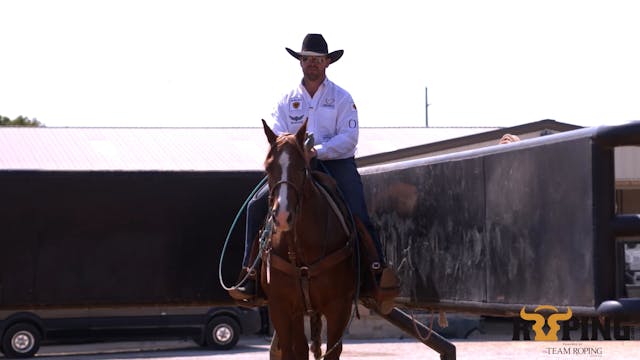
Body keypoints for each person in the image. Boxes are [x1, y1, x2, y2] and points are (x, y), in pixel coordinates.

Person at [230, 33, 392, 302]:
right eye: (307, 59)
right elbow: (279, 132)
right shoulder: (286, 100)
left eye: (317, 60)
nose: (312, 64)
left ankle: (376, 271)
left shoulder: (342, 98)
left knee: (356, 209)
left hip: (335, 163)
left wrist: (317, 151)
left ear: (328, 62)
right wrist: (295, 150)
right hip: (294, 167)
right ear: (300, 62)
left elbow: (349, 138)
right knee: (255, 206)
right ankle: (250, 273)